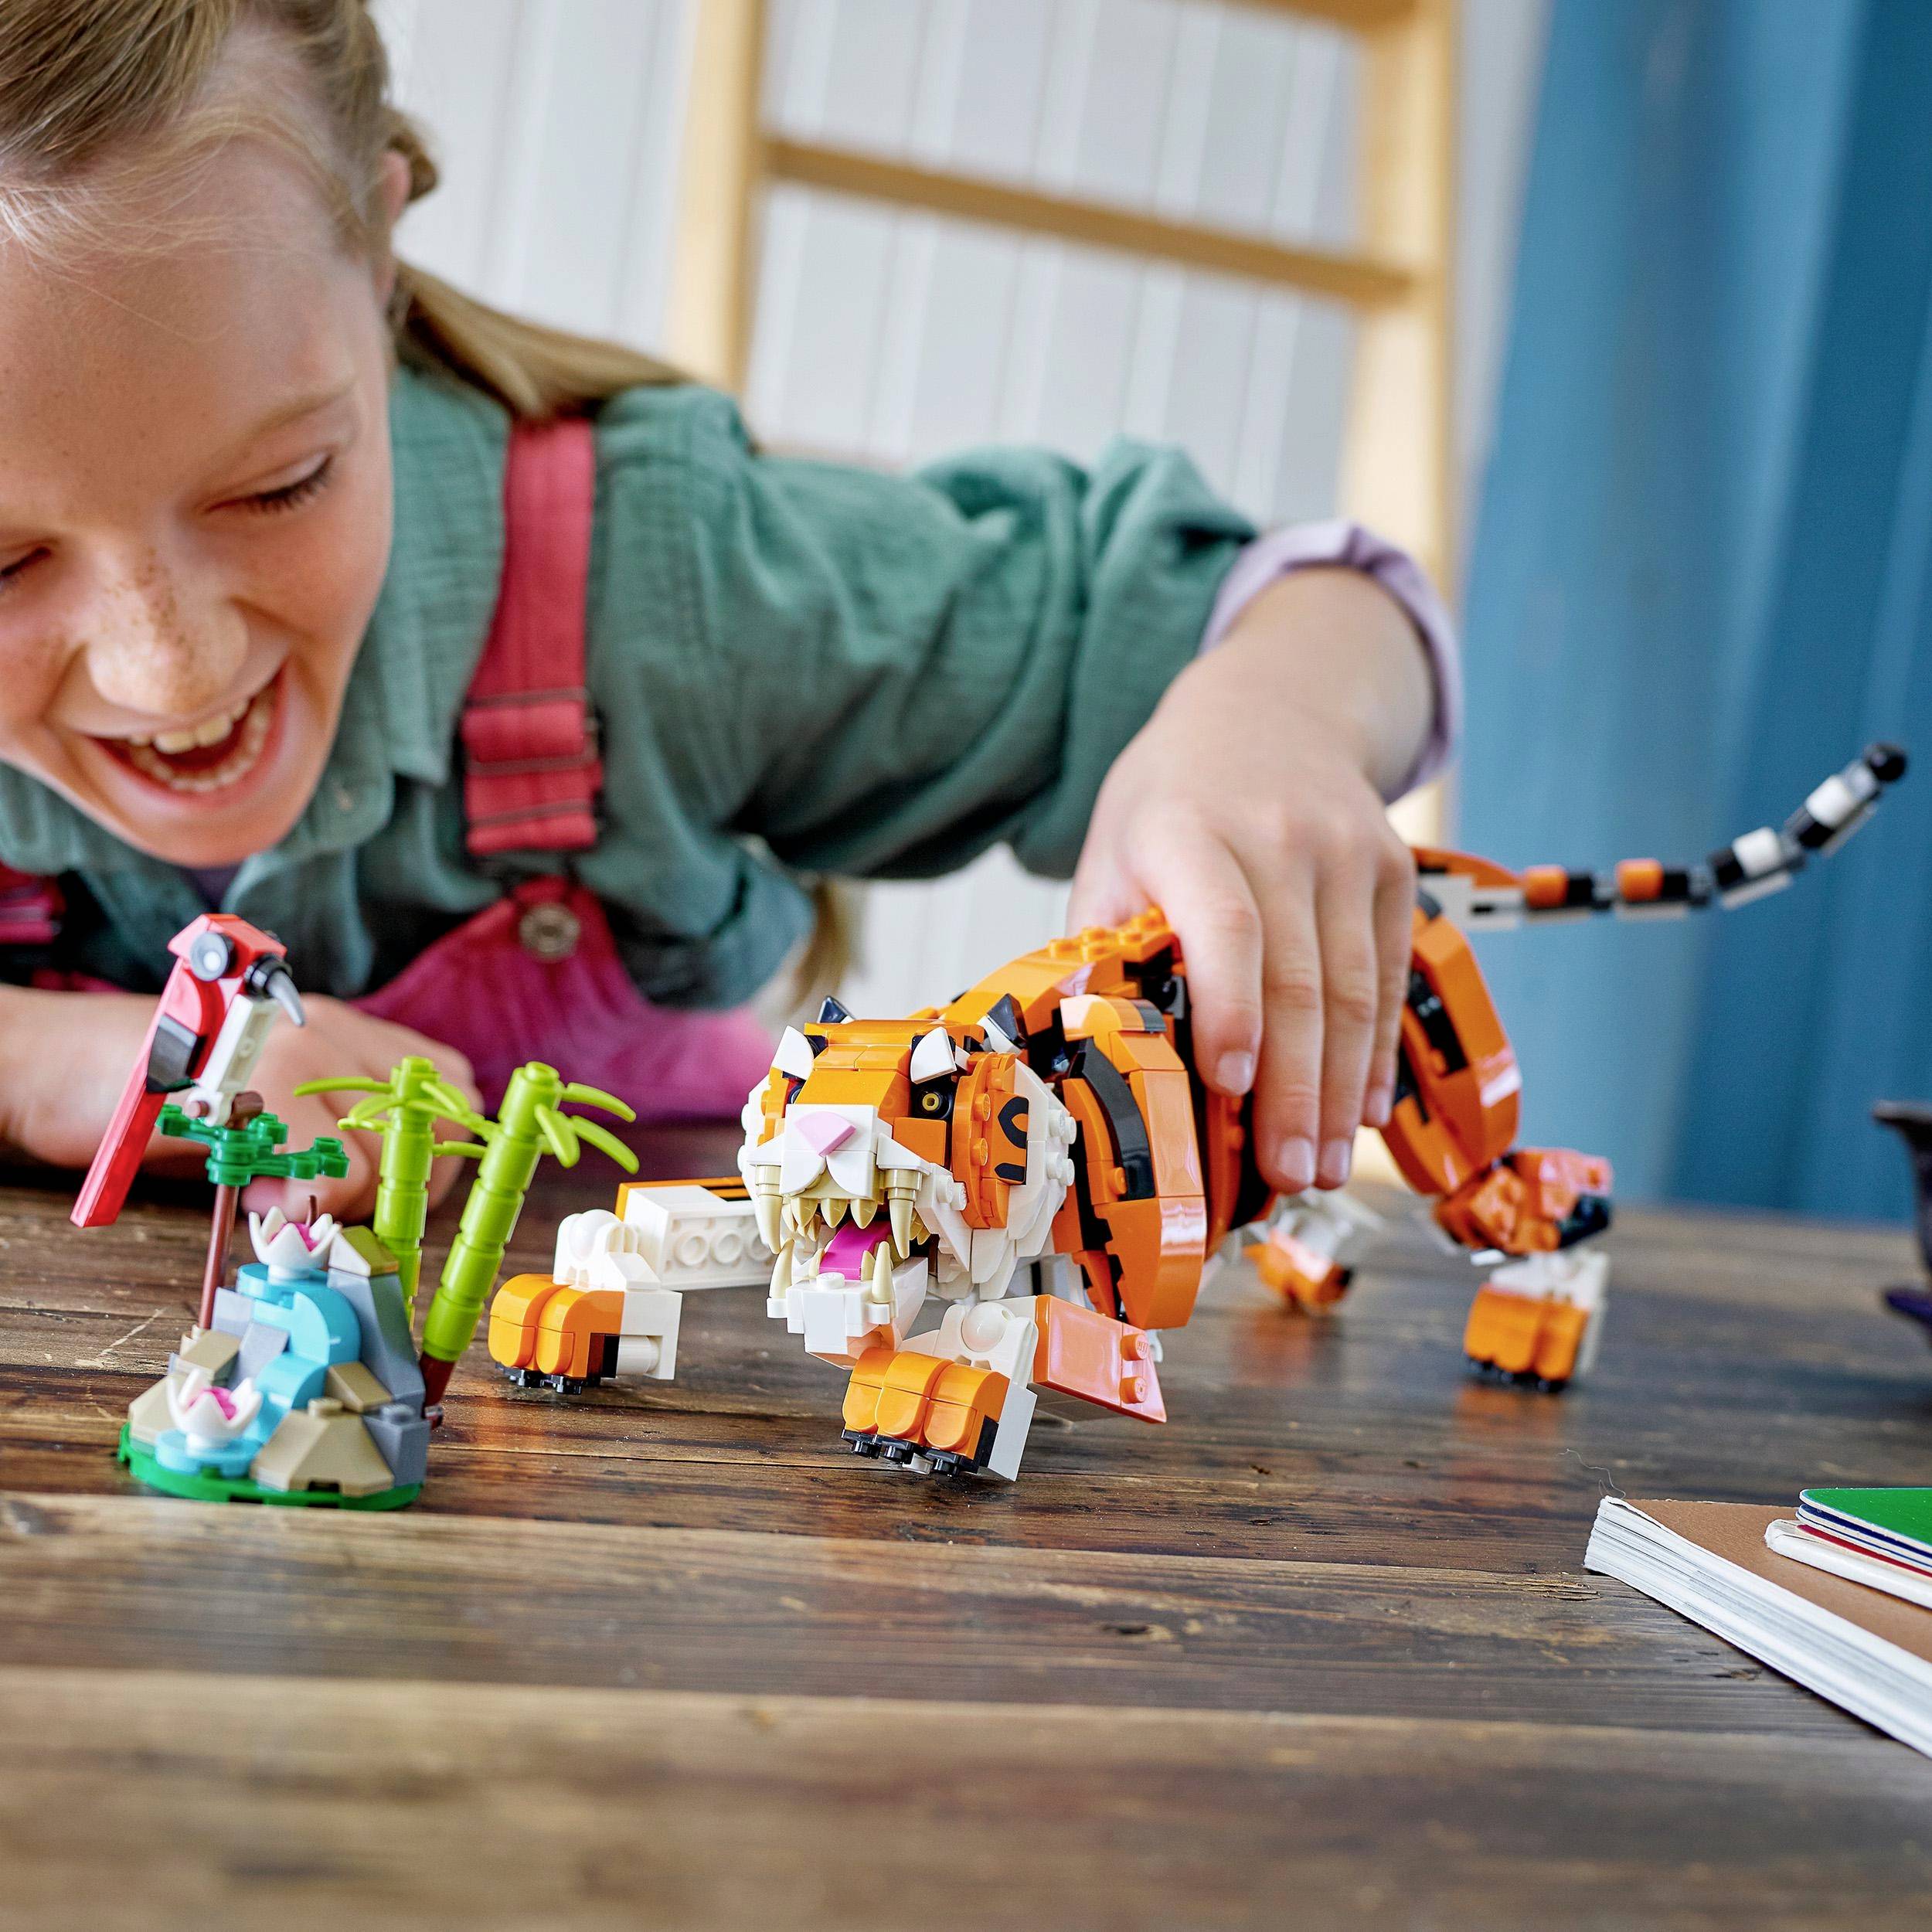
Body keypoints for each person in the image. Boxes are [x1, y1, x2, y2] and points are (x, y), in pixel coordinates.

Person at [0, 0, 1455, 1223]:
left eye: (280, 486)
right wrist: (57, 1060)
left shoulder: (656, 585)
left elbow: (1318, 609)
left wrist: (1267, 720)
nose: (167, 666)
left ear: (377, 265)